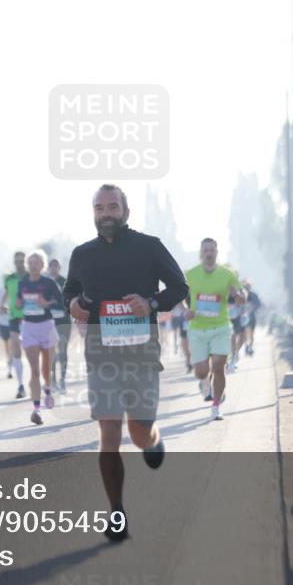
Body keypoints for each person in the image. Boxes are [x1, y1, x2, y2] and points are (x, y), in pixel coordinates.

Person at [64, 184, 188, 542]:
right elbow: (69, 293)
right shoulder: (82, 254)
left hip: (141, 351)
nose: (106, 213)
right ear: (93, 213)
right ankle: (116, 512)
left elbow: (179, 287)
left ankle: (152, 439)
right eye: (99, 208)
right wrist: (72, 304)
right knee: (109, 433)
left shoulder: (149, 246)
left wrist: (150, 303)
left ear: (126, 212)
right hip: (101, 351)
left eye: (112, 207)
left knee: (137, 432)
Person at [184, 239, 245, 421]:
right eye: (206, 250)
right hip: (198, 329)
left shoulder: (228, 274)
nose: (209, 253)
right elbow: (178, 294)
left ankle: (216, 406)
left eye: (212, 250)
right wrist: (186, 310)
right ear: (201, 253)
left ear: (217, 252)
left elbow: (242, 297)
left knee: (219, 366)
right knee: (202, 371)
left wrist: (237, 295)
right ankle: (204, 380)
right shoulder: (191, 274)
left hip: (220, 327)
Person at [17, 250, 62, 425]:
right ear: (28, 265)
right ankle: (37, 410)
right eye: (31, 262)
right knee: (34, 370)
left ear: (42, 266)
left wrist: (47, 303)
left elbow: (61, 302)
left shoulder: (49, 283)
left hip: (47, 327)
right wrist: (18, 304)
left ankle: (48, 388)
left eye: (37, 262)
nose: (34, 265)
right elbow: (19, 302)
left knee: (46, 370)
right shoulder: (23, 283)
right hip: (29, 327)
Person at [0, 252, 27, 398]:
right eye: (16, 260)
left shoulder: (31, 277)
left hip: (31, 318)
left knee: (32, 351)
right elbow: (6, 293)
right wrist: (1, 305)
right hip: (14, 318)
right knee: (15, 348)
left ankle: (42, 380)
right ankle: (21, 385)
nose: (19, 263)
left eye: (21, 260)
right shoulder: (9, 278)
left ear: (25, 261)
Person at [48, 258, 71, 392]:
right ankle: (53, 380)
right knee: (51, 350)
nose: (54, 268)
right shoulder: (45, 282)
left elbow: (68, 299)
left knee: (62, 349)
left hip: (64, 321)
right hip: (49, 321)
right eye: (51, 266)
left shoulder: (65, 281)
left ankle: (62, 380)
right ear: (48, 268)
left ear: (59, 268)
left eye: (56, 266)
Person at [241, 280, 262, 356]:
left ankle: (250, 346)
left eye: (248, 286)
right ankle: (247, 345)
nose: (247, 288)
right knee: (245, 332)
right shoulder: (241, 295)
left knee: (251, 333)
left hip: (252, 316)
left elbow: (259, 304)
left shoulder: (254, 295)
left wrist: (253, 308)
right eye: (246, 286)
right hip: (243, 317)